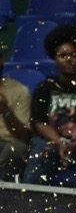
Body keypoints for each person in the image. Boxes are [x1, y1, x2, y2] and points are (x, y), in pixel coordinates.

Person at [22, 25, 76, 192]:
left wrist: (75, 145)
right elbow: (39, 123)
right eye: (63, 55)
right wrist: (61, 144)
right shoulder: (45, 87)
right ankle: (29, 212)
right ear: (55, 59)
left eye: (73, 55)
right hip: (53, 142)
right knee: (41, 151)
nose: (68, 59)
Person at [0, 45, 30, 180]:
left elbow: (23, 136)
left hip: (8, 142)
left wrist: (5, 110)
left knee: (17, 148)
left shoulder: (20, 91)